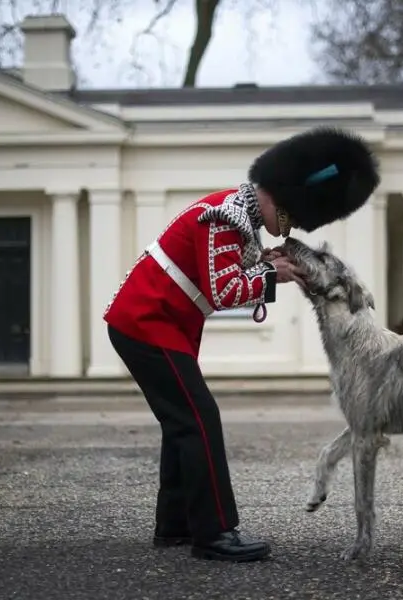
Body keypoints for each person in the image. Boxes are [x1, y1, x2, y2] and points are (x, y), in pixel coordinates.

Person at [103, 126, 380, 562]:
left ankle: (174, 525)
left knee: (182, 424)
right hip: (147, 323)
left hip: (158, 324)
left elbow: (229, 266)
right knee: (199, 420)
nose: (284, 228)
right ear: (276, 195)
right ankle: (213, 534)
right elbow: (222, 290)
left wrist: (266, 263)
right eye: (287, 216)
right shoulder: (227, 216)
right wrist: (274, 276)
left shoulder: (237, 214)